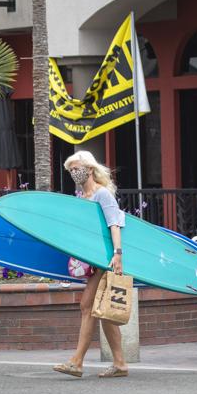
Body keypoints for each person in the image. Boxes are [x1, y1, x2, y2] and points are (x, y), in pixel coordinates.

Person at [53, 150, 129, 378]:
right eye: (71, 170)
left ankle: (77, 362)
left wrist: (117, 254)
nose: (74, 173)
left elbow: (114, 224)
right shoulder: (81, 197)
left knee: (87, 306)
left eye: (77, 168)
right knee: (103, 313)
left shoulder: (101, 194)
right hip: (92, 258)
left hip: (104, 259)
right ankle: (120, 363)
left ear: (90, 168)